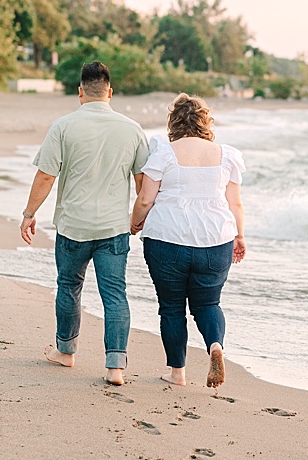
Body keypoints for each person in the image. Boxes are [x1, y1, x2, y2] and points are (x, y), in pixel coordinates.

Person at [20, 61, 152, 385]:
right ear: (110, 92)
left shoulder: (63, 126)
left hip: (73, 227)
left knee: (68, 287)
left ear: (80, 92)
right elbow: (143, 183)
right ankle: (115, 367)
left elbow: (46, 175)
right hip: (113, 228)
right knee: (115, 294)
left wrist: (28, 214)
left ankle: (66, 352)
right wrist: (140, 219)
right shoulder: (132, 129)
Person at [129, 93, 247, 388]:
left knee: (171, 307)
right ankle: (215, 345)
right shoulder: (226, 154)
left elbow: (145, 198)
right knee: (208, 303)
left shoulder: (163, 152)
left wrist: (134, 223)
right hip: (216, 240)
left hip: (167, 239)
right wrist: (240, 236)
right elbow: (235, 204)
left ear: (173, 121)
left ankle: (177, 372)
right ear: (206, 122)